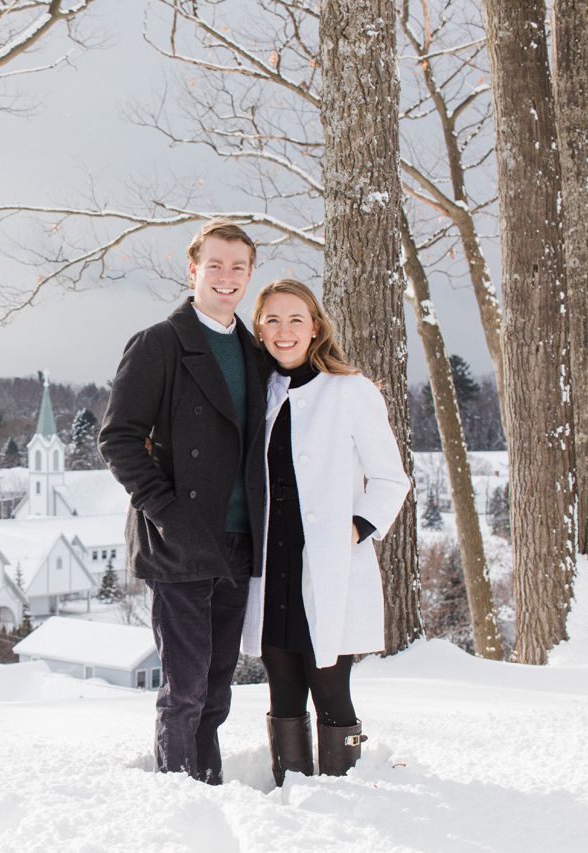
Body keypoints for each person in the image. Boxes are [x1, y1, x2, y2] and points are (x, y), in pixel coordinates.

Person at [99, 218, 268, 782]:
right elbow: (118, 437)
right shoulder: (160, 344)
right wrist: (167, 511)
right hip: (180, 544)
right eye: (214, 265)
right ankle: (178, 801)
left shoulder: (254, 351)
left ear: (249, 274)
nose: (226, 277)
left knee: (218, 688)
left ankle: (210, 786)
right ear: (192, 269)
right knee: (185, 688)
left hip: (241, 543)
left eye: (237, 267)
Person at [243, 278, 409, 784]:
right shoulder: (259, 394)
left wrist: (357, 529)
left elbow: (390, 478)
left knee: (330, 685)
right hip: (272, 568)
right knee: (282, 685)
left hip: (328, 565)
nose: (284, 330)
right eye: (272, 319)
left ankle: (344, 792)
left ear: (315, 327)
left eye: (296, 319)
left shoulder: (351, 390)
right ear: (259, 329)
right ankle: (290, 792)